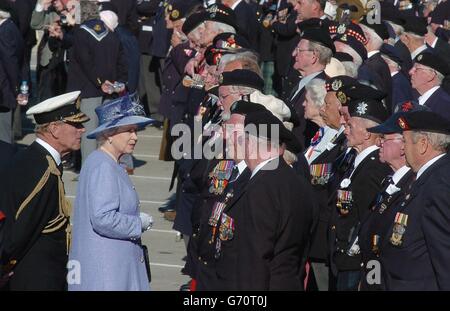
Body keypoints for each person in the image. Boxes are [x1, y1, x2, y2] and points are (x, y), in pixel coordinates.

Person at [0, 91, 89, 290]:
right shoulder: (45, 171)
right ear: (54, 129)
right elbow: (19, 233)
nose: (82, 130)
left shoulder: (33, 158)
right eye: (75, 124)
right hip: (37, 277)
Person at [68, 95, 154, 291]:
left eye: (136, 130)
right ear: (109, 134)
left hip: (113, 269)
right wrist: (138, 223)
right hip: (108, 273)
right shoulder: (102, 166)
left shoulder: (106, 162)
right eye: (129, 130)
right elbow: (102, 218)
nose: (135, 137)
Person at [381, 110, 450, 290]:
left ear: (423, 144)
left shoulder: (439, 183)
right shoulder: (427, 177)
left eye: (405, 141)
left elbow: (445, 253)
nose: (402, 148)